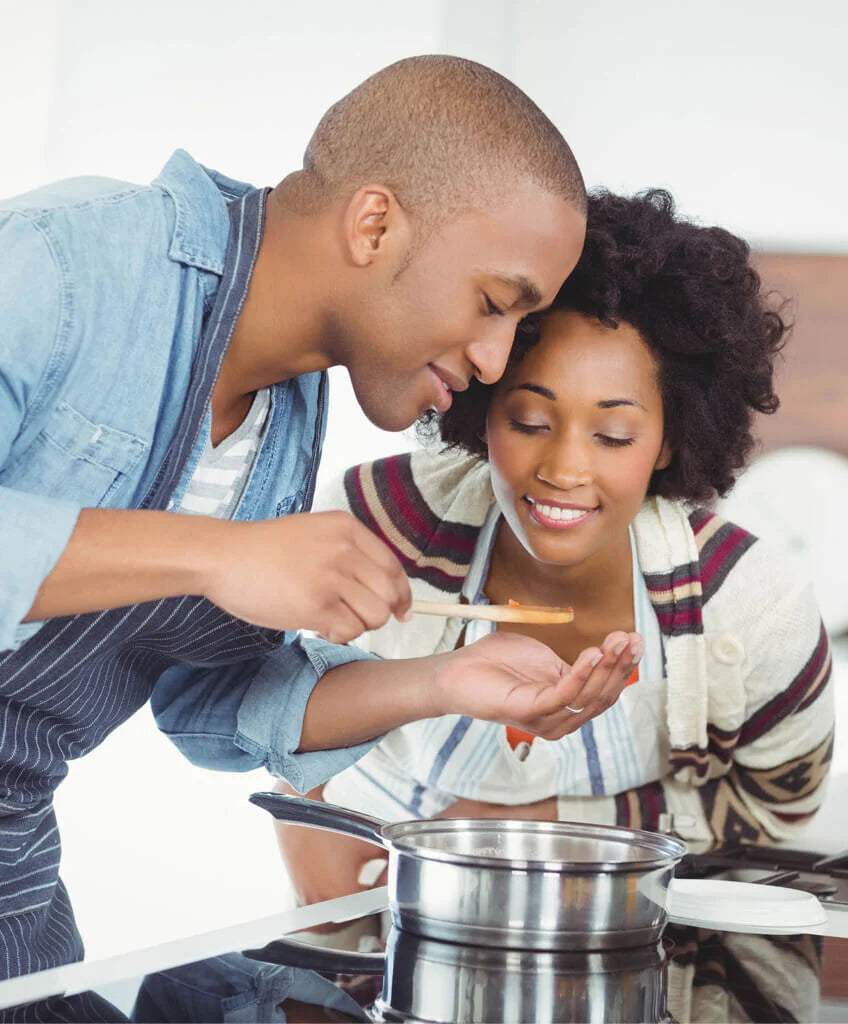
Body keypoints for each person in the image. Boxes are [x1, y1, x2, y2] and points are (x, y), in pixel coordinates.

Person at [0, 55, 644, 991]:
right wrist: (219, 557)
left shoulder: (287, 421)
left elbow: (208, 709)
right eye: (494, 304)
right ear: (374, 223)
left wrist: (444, 681)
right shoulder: (63, 260)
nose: (497, 359)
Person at [276, 188, 834, 922]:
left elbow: (778, 807)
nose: (565, 468)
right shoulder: (374, 525)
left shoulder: (750, 602)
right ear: (483, 403)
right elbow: (276, 729)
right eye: (530, 419)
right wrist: (336, 908)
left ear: (670, 440)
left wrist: (529, 832)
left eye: (612, 436)